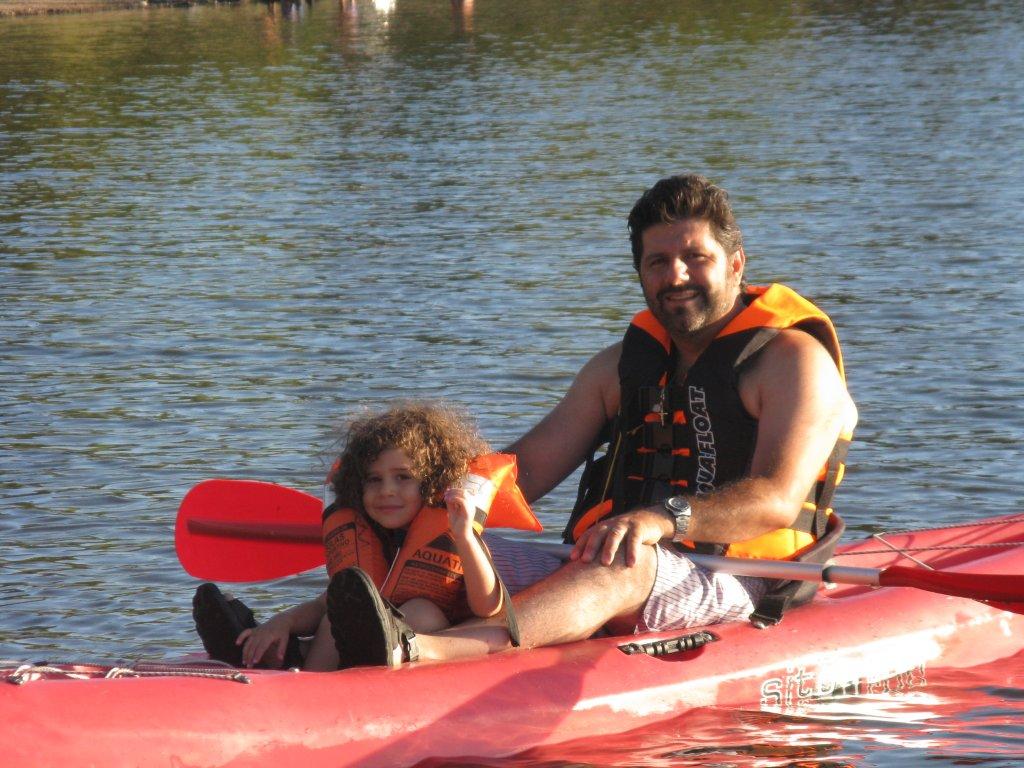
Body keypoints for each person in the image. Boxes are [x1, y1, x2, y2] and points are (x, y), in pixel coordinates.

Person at [326, 173, 859, 668]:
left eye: (696, 257)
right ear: (641, 273)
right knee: (442, 553)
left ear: (736, 264)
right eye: (658, 262)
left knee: (624, 560)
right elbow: (526, 469)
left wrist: (659, 519)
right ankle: (303, 643)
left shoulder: (792, 362)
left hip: (745, 579)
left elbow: (776, 499)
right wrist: (408, 496)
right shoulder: (618, 369)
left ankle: (425, 651)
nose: (676, 275)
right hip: (606, 558)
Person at [193, 401, 534, 670]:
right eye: (374, 480)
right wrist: (282, 622)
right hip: (365, 644)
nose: (387, 491)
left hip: (435, 642)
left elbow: (487, 605)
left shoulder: (456, 531)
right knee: (337, 613)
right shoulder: (366, 534)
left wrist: (465, 537)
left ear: (432, 482)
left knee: (421, 610)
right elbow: (323, 604)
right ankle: (283, 663)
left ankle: (302, 662)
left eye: (403, 477)